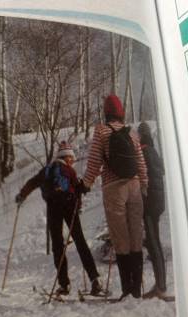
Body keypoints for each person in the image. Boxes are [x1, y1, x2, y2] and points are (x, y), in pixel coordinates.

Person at [16, 141, 103, 296]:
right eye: (71, 157)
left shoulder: (47, 171)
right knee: (80, 242)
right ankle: (94, 280)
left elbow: (31, 183)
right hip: (70, 206)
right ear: (67, 157)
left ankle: (64, 285)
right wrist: (84, 189)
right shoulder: (69, 170)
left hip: (53, 207)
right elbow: (78, 188)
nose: (73, 160)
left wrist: (22, 195)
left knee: (57, 246)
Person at [82, 94, 148, 300]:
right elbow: (140, 161)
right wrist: (144, 184)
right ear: (121, 112)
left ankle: (127, 290)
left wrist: (85, 183)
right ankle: (136, 289)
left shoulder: (101, 131)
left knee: (121, 239)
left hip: (114, 188)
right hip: (134, 186)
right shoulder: (131, 133)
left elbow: (94, 162)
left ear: (106, 112)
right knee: (136, 235)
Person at [138, 122, 167, 299]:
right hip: (158, 201)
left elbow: (140, 173)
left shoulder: (143, 151)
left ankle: (161, 286)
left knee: (153, 242)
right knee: (153, 240)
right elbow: (162, 171)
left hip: (149, 202)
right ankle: (160, 283)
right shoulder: (154, 152)